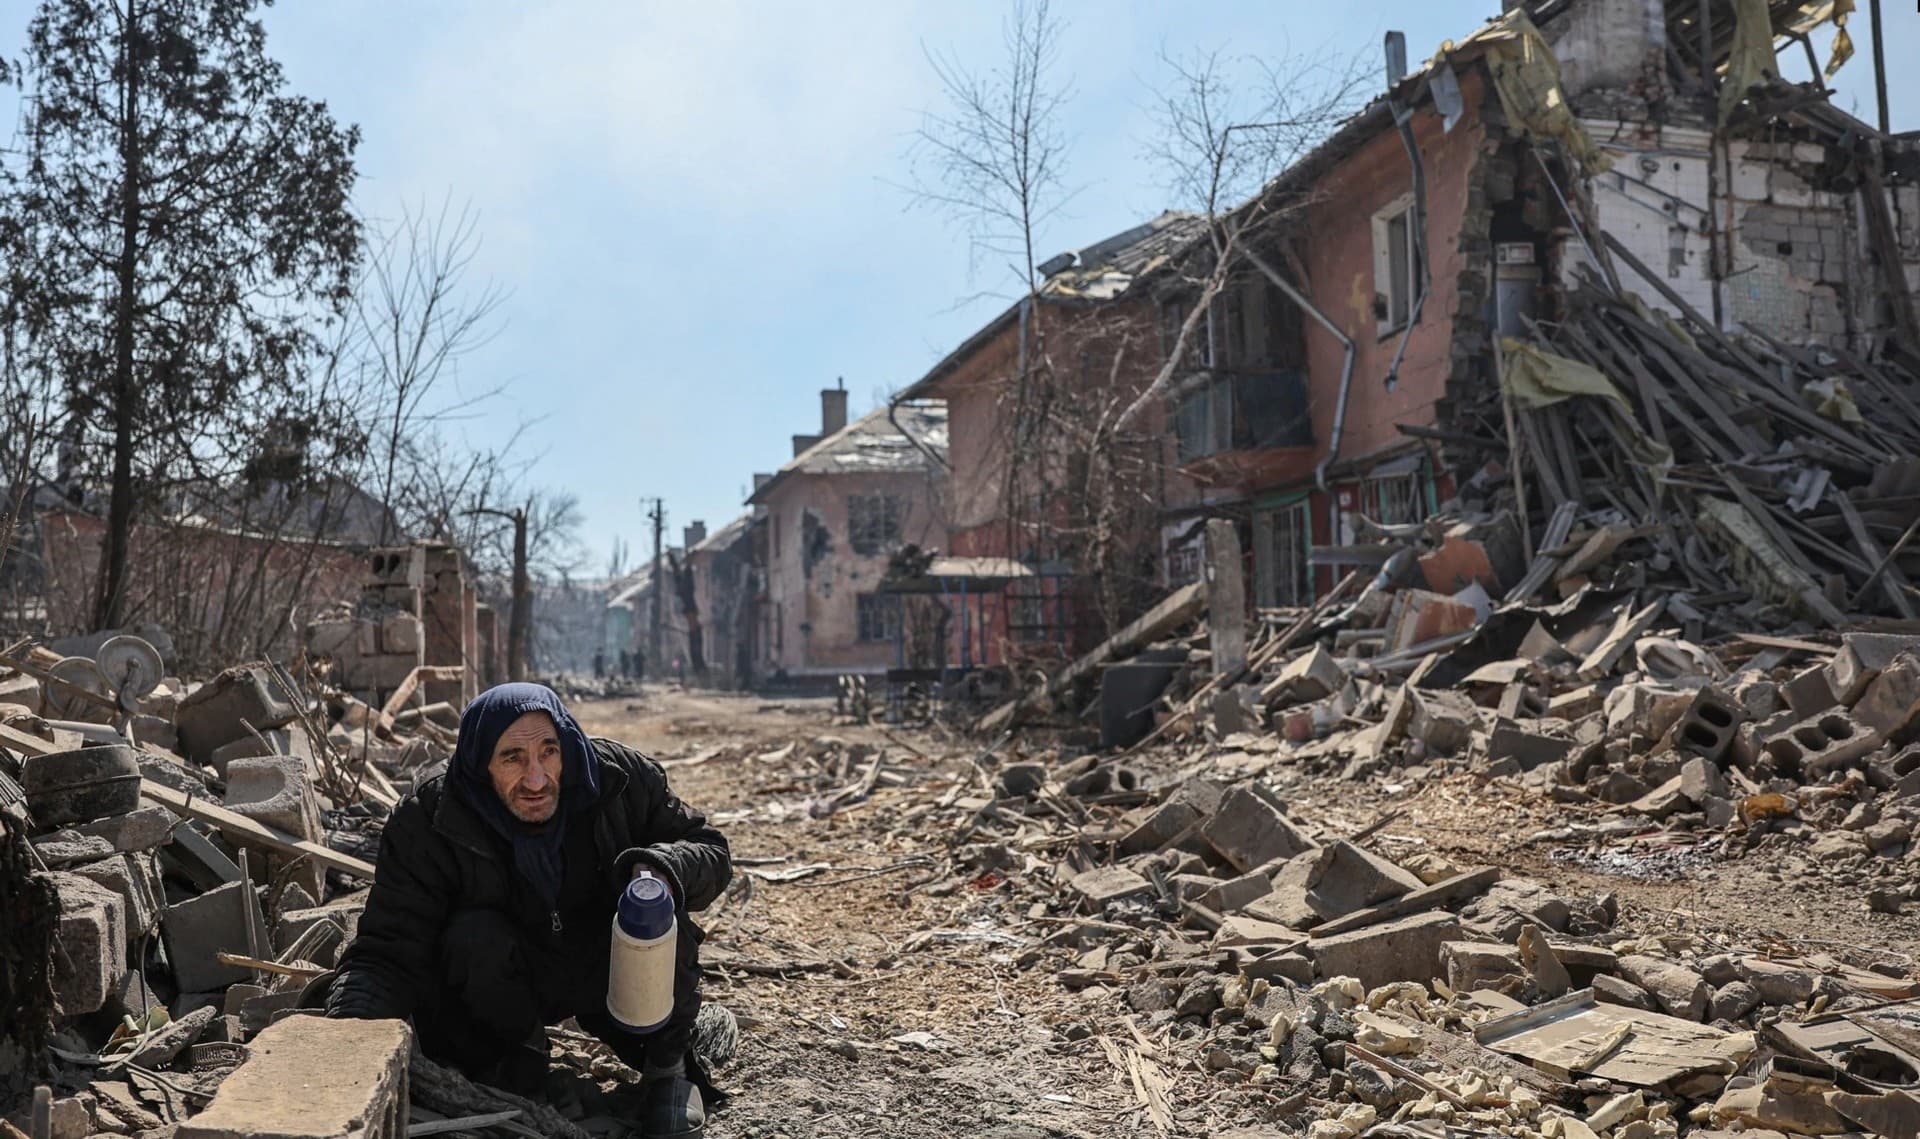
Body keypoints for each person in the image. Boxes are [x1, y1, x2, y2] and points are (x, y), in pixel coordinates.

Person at [323, 683, 731, 1138]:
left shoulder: (621, 780)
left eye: (548, 752)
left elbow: (710, 849)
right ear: (482, 765)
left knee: (658, 914)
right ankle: (524, 1064)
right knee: (470, 936)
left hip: (607, 965)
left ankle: (665, 1073)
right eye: (512, 758)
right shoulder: (430, 816)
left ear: (568, 747)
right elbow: (388, 947)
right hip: (506, 984)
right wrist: (349, 1036)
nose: (536, 779)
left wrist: (660, 868)